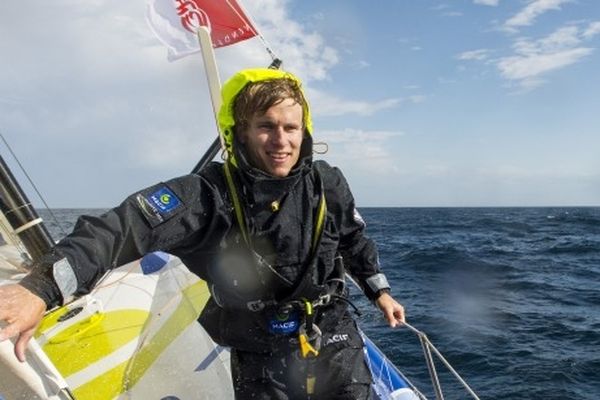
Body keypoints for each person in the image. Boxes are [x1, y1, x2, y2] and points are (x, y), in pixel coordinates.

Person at [0, 68, 405, 399]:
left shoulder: (326, 183)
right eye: (266, 126)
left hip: (332, 332)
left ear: (305, 131)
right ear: (240, 131)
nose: (281, 140)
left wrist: (379, 291)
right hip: (258, 346)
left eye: (291, 127)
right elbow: (122, 228)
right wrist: (41, 288)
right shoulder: (206, 193)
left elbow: (353, 240)